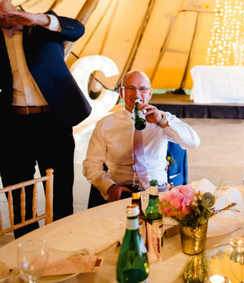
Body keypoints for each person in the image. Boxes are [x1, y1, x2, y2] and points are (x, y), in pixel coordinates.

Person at [0, 0, 91, 237]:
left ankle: (62, 253)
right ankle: (26, 265)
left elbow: (77, 29)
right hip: (12, 129)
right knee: (19, 205)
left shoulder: (44, 27)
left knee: (60, 200)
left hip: (54, 124)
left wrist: (35, 18)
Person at [83, 70, 200, 202]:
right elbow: (91, 164)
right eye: (130, 88)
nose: (136, 94)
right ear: (121, 93)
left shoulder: (161, 117)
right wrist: (109, 187)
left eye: (142, 89)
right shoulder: (105, 124)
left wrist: (162, 122)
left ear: (150, 94)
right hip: (121, 191)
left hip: (158, 190)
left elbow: (194, 142)